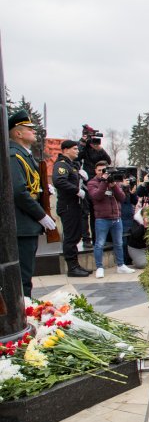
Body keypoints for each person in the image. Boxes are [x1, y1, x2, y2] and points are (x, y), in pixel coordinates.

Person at [9, 110, 57, 296]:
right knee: (22, 278)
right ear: (18, 133)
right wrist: (41, 215)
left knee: (26, 275)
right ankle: (21, 317)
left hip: (27, 224)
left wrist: (45, 190)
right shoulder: (14, 156)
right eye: (29, 129)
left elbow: (31, 185)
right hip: (21, 225)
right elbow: (19, 192)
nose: (34, 132)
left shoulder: (25, 155)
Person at [87, 161, 135, 278]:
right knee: (99, 244)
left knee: (118, 243)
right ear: (96, 171)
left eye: (104, 170)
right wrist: (104, 181)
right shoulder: (92, 183)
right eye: (100, 171)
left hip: (116, 218)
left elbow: (122, 198)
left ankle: (121, 265)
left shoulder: (114, 182)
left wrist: (114, 185)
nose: (103, 173)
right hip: (102, 218)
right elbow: (97, 196)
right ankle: (99, 267)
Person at [52, 140, 91, 276]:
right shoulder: (61, 165)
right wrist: (76, 190)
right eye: (74, 149)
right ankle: (72, 267)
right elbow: (59, 181)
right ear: (66, 150)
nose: (77, 151)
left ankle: (76, 265)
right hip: (68, 206)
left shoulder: (71, 165)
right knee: (70, 238)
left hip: (75, 206)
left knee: (75, 236)